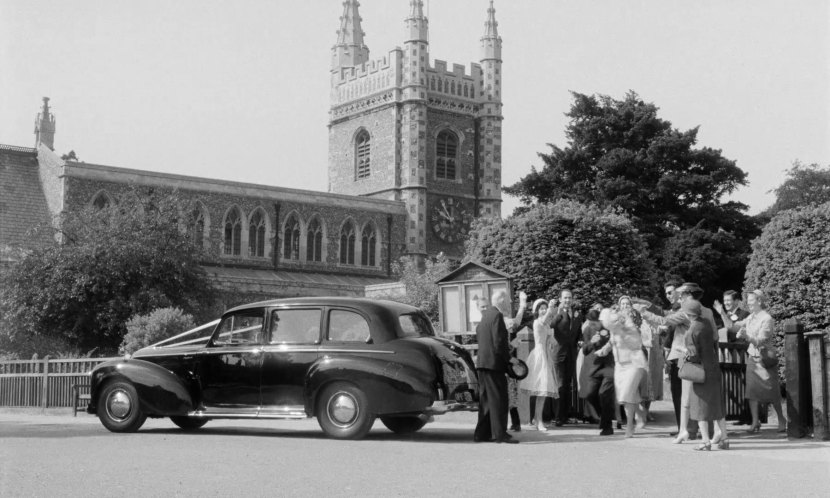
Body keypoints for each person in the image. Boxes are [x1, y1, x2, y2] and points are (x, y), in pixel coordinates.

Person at [637, 282, 708, 443]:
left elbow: (663, 319)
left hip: (683, 355)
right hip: (688, 355)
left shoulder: (686, 311)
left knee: (682, 394)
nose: (678, 297)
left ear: (688, 295)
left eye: (681, 294)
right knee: (685, 393)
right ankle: (687, 429)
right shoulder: (702, 309)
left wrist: (644, 312)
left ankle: (686, 430)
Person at [724, 289, 786, 433]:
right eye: (748, 301)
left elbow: (760, 341)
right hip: (752, 358)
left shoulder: (767, 319)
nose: (748, 303)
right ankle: (755, 422)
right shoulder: (751, 317)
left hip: (765, 359)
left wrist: (746, 336)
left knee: (772, 392)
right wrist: (721, 312)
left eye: (751, 300)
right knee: (751, 392)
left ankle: (781, 419)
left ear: (759, 301)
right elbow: (732, 327)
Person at [682, 299, 730, 451]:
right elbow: (714, 340)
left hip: (701, 372)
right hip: (714, 368)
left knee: (700, 407)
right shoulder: (707, 323)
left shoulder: (692, 331)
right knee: (717, 405)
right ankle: (725, 439)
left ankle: (705, 441)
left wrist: (683, 352)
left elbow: (693, 355)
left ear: (687, 314)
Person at [473, 294, 519, 443]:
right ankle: (500, 434)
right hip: (494, 365)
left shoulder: (485, 317)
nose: (509, 304)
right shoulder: (497, 316)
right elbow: (498, 342)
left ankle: (481, 434)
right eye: (508, 301)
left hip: (482, 364)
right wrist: (509, 358)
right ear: (501, 301)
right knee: (499, 399)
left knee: (486, 400)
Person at [601, 307, 647, 437]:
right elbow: (612, 342)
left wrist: (621, 332)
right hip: (619, 366)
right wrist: (604, 349)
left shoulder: (630, 328)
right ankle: (640, 412)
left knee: (626, 395)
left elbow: (636, 344)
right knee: (624, 396)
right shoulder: (613, 330)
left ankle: (630, 426)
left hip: (633, 364)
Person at [519, 298, 559, 431]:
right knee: (541, 391)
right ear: (537, 311)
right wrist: (551, 308)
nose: (544, 310)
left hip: (546, 356)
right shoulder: (537, 322)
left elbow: (553, 342)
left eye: (545, 308)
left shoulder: (547, 325)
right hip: (539, 356)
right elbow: (545, 319)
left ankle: (537, 419)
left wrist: (552, 339)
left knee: (543, 392)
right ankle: (538, 420)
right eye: (541, 308)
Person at [493, 290, 528, 432]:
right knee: (509, 393)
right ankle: (513, 423)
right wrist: (523, 305)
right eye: (508, 300)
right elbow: (516, 322)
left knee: (508, 393)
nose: (510, 302)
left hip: (503, 360)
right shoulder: (503, 319)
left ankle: (513, 423)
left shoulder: (500, 318)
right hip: (506, 361)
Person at [580, 306, 616, 435]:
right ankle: (604, 418)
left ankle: (607, 426)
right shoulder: (588, 330)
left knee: (604, 394)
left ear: (600, 321)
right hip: (594, 367)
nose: (592, 326)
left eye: (594, 323)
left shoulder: (610, 329)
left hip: (609, 366)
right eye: (590, 323)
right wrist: (592, 342)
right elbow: (585, 350)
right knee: (589, 394)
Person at [551, 289, 583, 426]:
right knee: (560, 385)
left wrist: (580, 340)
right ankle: (558, 417)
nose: (567, 300)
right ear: (560, 299)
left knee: (569, 385)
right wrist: (558, 312)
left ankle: (567, 415)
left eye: (569, 298)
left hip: (571, 354)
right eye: (565, 298)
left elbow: (579, 332)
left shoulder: (577, 314)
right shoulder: (555, 313)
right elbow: (551, 326)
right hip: (559, 353)